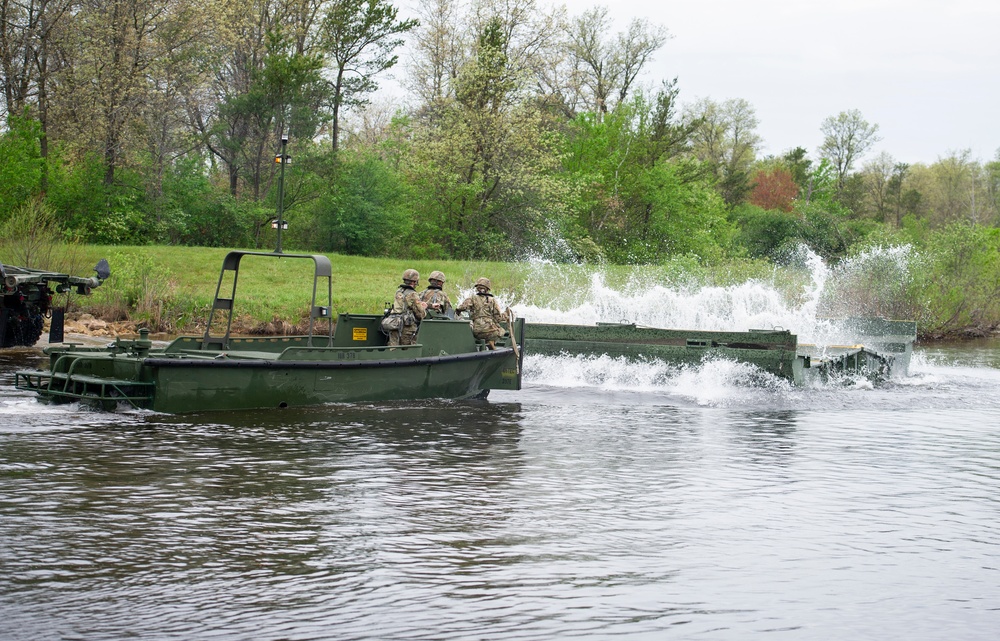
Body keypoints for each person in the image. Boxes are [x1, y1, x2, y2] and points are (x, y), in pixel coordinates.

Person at [456, 277, 507, 349]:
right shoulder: (492, 300)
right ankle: (491, 342)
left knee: (479, 333)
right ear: (488, 288)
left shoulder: (472, 298)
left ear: (477, 288)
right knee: (502, 331)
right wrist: (505, 315)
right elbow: (498, 318)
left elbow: (461, 307)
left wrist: (458, 311)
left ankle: (486, 343)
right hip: (490, 330)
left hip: (476, 331)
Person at [381, 269, 427, 346]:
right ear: (414, 282)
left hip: (394, 324)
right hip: (406, 328)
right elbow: (421, 314)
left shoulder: (399, 291)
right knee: (406, 348)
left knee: (393, 346)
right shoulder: (412, 294)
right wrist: (424, 308)